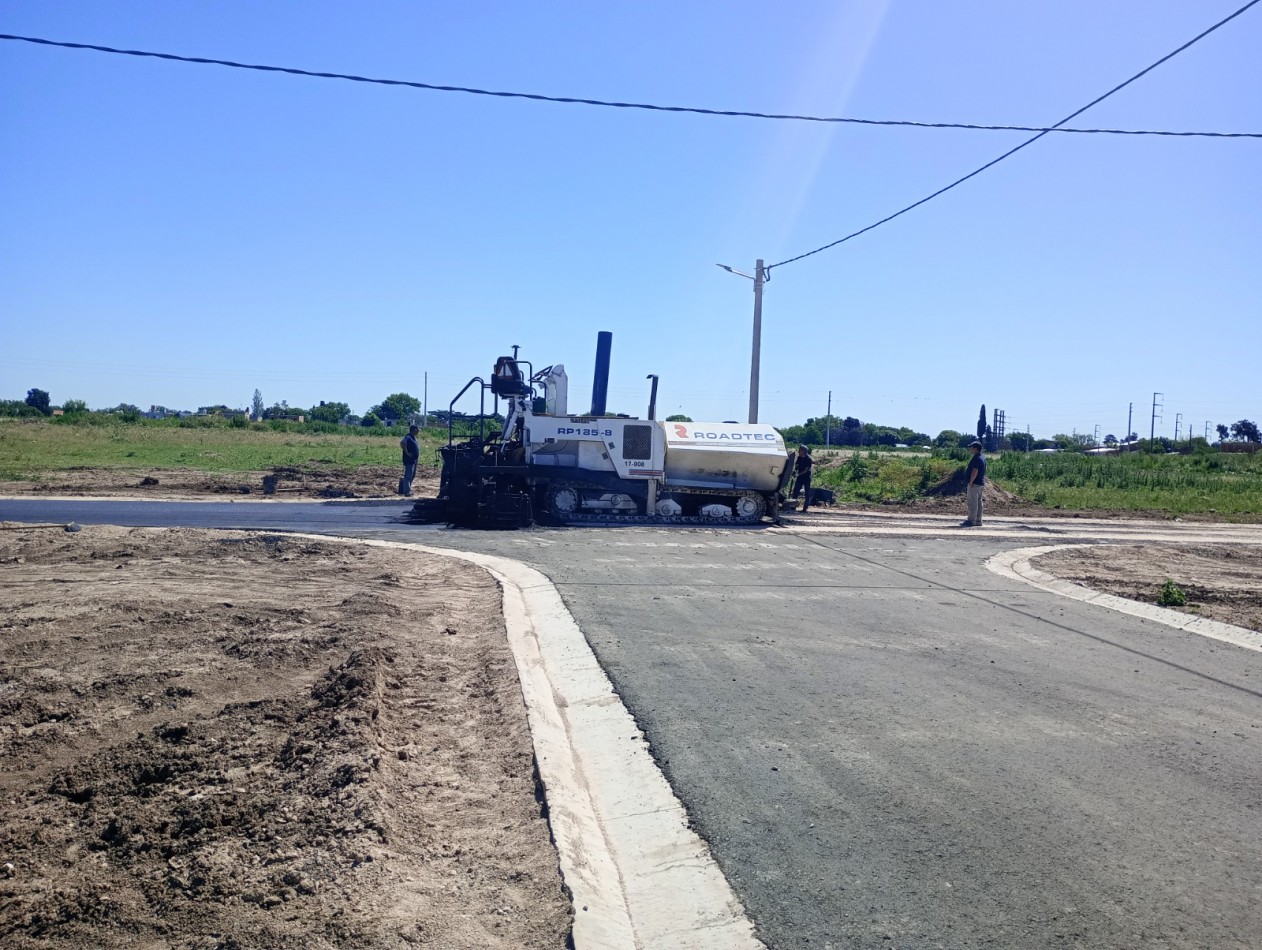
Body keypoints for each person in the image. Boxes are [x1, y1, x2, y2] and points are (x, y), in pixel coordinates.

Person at [962, 439, 986, 526]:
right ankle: (978, 521)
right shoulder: (982, 457)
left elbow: (975, 471)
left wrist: (971, 481)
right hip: (980, 483)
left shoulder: (976, 458)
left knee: (972, 502)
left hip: (974, 484)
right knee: (979, 503)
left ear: (975, 448)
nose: (970, 449)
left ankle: (971, 520)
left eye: (971, 447)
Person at [399, 424, 420, 496]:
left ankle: (408, 489)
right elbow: (402, 443)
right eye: (417, 430)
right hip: (409, 460)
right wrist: (407, 453)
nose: (418, 431)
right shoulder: (408, 437)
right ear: (414, 430)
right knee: (408, 475)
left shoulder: (413, 438)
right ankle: (407, 491)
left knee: (412, 475)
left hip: (414, 460)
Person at [792, 445, 814, 512]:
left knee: (807, 493)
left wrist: (798, 474)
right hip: (800, 478)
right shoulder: (799, 458)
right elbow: (797, 466)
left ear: (803, 451)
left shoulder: (808, 459)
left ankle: (805, 507)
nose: (798, 452)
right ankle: (793, 506)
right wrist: (794, 471)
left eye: (800, 450)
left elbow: (806, 469)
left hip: (806, 478)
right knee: (795, 491)